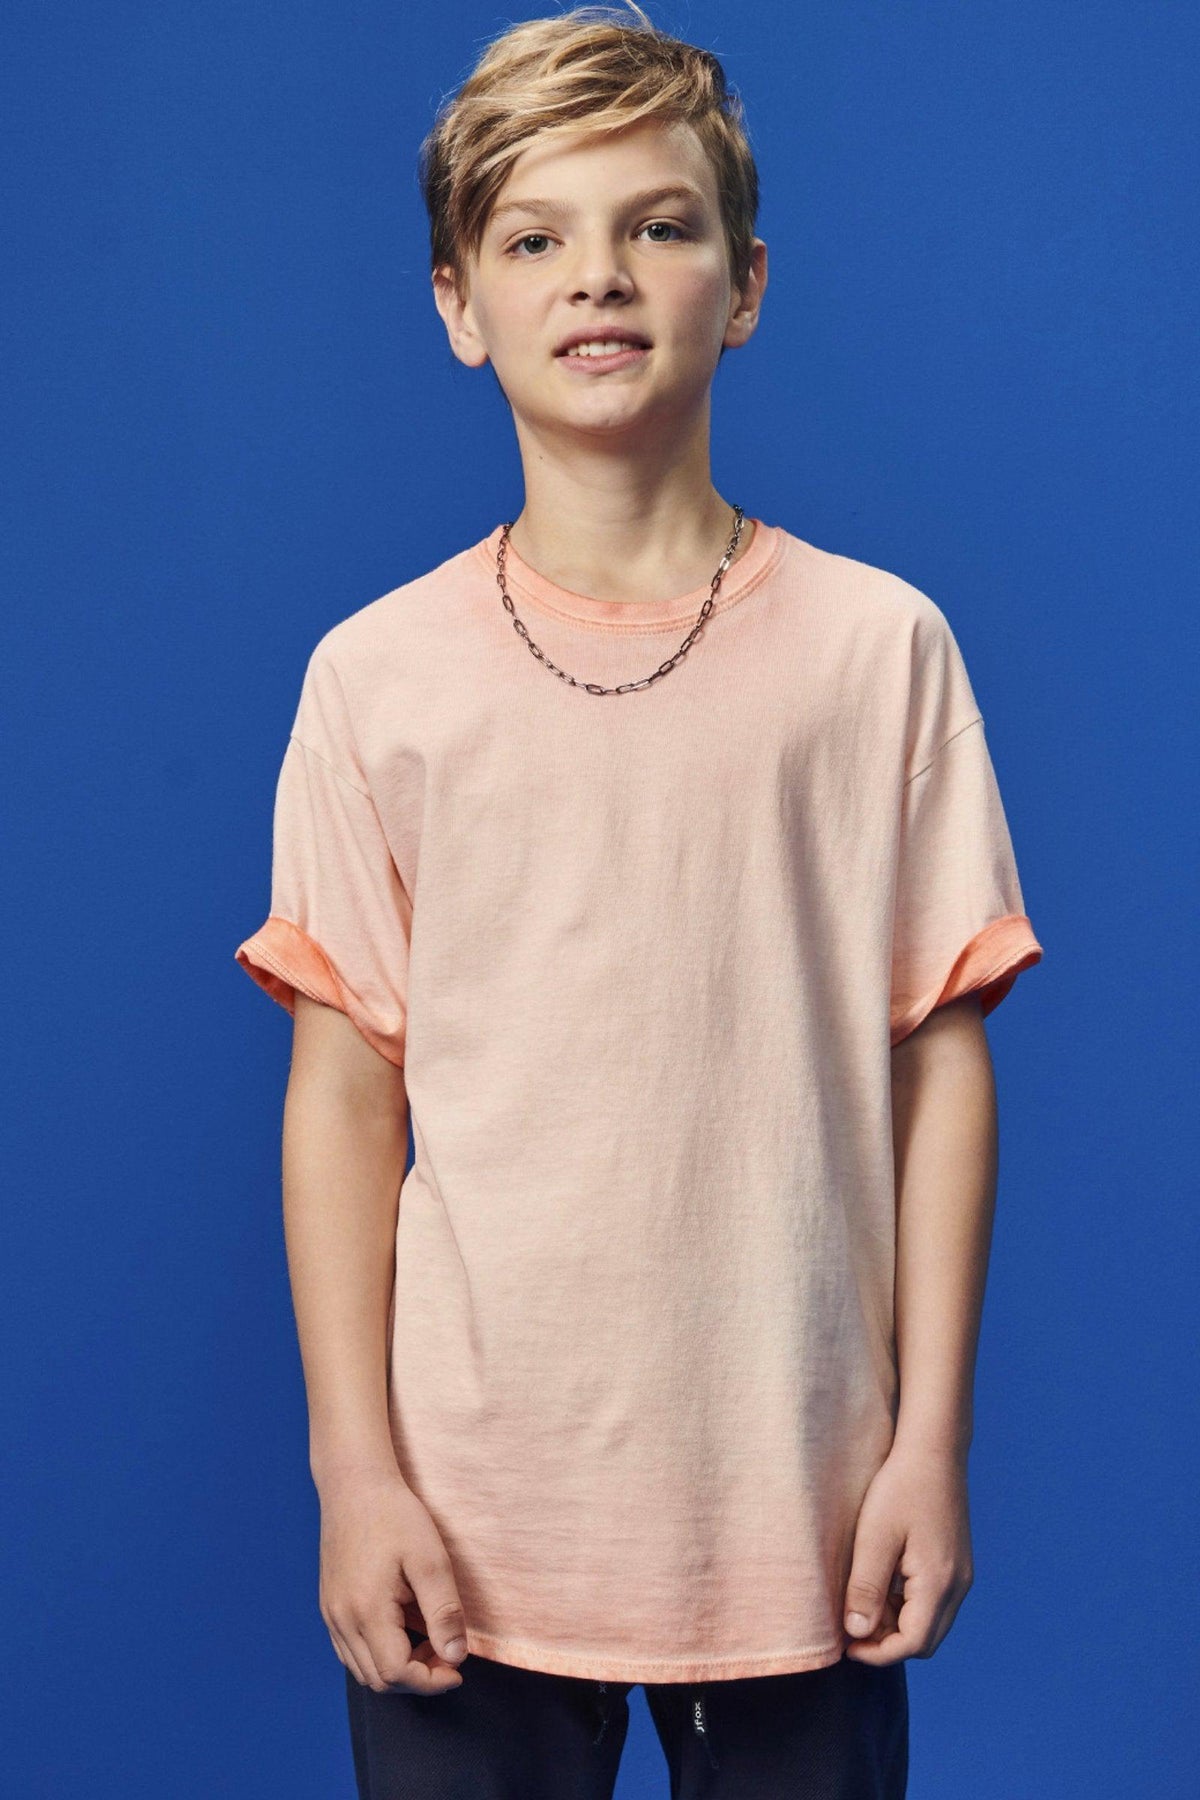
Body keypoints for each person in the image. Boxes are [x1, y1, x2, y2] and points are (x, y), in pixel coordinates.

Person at [234, 5, 1044, 1795]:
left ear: (742, 284)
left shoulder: (877, 651)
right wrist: (352, 1474)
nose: (597, 275)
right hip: (467, 1516)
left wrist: (932, 1444)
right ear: (458, 303)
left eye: (657, 225)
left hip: (803, 1507)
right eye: (534, 239)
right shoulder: (376, 679)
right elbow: (345, 1096)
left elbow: (940, 1066)